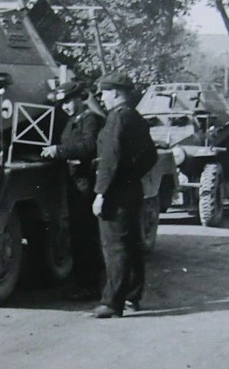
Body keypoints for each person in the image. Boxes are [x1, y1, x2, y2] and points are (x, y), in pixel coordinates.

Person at [91, 71, 157, 319]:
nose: (102, 98)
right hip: (131, 190)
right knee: (131, 245)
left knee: (115, 248)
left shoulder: (117, 118)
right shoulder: (135, 117)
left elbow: (110, 159)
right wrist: (131, 175)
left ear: (116, 93)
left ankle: (112, 303)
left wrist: (101, 193)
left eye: (104, 93)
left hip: (115, 194)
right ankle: (132, 297)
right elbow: (151, 155)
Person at [41, 80, 105, 299]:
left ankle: (91, 286)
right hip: (74, 180)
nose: (65, 107)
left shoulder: (89, 118)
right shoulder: (72, 120)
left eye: (68, 102)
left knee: (86, 234)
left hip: (84, 181)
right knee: (78, 233)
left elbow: (89, 146)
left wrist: (58, 150)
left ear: (79, 98)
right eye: (63, 103)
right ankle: (82, 283)